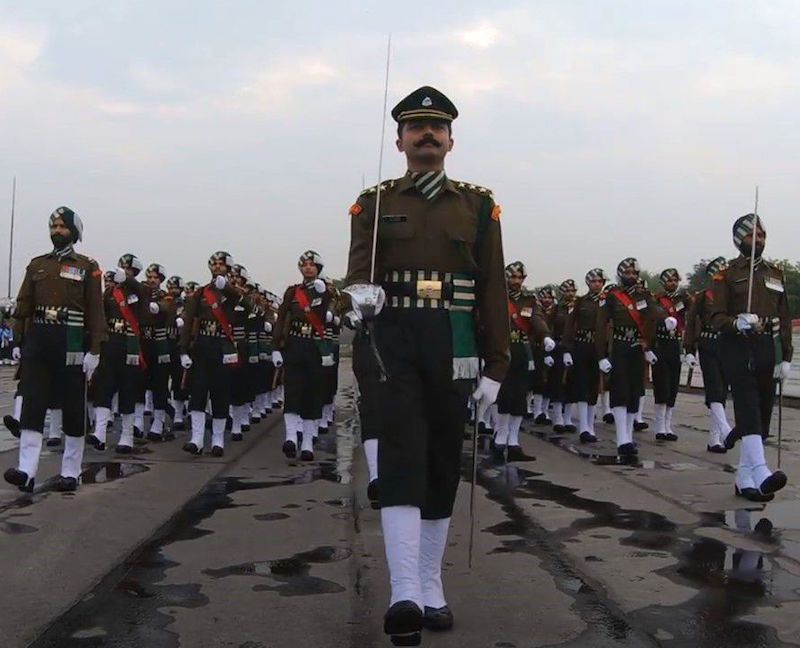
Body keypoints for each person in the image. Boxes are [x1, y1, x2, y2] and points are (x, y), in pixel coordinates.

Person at [343, 85, 509, 644]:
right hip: (395, 342)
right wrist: (358, 296)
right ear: (400, 140)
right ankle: (403, 593)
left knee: (441, 459)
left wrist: (498, 363)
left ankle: (431, 585)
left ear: (451, 140)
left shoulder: (479, 206)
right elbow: (357, 273)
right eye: (416, 127)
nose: (427, 134)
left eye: (436, 127)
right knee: (402, 456)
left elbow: (493, 288)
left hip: (456, 340)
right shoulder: (376, 201)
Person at [4, 207, 105, 492]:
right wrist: (16, 342)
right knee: (32, 404)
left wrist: (95, 349)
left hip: (71, 339)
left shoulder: (87, 267)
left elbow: (96, 313)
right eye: (53, 226)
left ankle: (70, 471)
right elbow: (23, 307)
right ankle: (26, 471)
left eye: (62, 226)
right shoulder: (37, 265)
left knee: (73, 406)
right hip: (39, 339)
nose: (56, 231)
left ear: (74, 231)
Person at [709, 213, 792, 501]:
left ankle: (744, 477)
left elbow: (784, 315)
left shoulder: (775, 273)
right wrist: (736, 323)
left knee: (763, 411)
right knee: (747, 405)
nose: (757, 240)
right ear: (738, 239)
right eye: (751, 235)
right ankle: (761, 470)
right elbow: (716, 317)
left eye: (761, 235)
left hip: (767, 346)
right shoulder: (726, 274)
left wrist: (786, 356)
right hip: (737, 344)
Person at [595, 258, 672, 458]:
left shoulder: (644, 295)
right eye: (627, 273)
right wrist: (601, 355)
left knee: (634, 392)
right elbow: (601, 326)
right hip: (620, 346)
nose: (631, 276)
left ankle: (628, 437)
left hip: (637, 347)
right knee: (620, 391)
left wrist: (666, 319)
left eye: (634, 273)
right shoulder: (611, 296)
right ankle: (621, 439)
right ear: (621, 275)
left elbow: (653, 311)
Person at [272, 251, 333, 461]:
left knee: (312, 393)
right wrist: (276, 347)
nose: (308, 268)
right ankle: (290, 437)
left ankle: (307, 443)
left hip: (315, 346)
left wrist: (323, 294)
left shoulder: (325, 289)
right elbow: (281, 318)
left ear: (318, 269)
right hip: (295, 344)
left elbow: (329, 312)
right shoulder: (292, 292)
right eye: (304, 265)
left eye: (312, 265)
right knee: (293, 390)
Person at [179, 251, 241, 457]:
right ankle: (196, 439)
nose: (217, 267)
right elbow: (189, 321)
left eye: (221, 264)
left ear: (228, 268)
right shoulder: (201, 293)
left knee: (220, 393)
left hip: (222, 346)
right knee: (198, 391)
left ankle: (217, 439)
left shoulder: (232, 292)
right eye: (214, 264)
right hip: (203, 345)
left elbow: (241, 301)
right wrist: (183, 350)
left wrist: (227, 287)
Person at [89, 255, 150, 453]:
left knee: (127, 389)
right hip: (111, 342)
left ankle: (127, 436)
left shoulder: (140, 291)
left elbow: (143, 303)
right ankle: (99, 433)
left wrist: (129, 281)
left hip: (129, 343)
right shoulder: (110, 293)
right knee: (104, 386)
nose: (123, 271)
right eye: (121, 268)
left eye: (127, 269)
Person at [494, 261, 550, 461]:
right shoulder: (498, 297)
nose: (516, 281)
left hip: (522, 350)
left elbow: (537, 318)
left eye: (520, 277)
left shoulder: (529, 299)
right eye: (513, 277)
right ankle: (500, 438)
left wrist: (545, 335)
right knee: (505, 394)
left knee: (521, 395)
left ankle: (514, 441)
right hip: (503, 348)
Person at [683, 257, 731, 452]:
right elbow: (691, 321)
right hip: (708, 343)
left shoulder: (732, 297)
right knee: (714, 388)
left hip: (727, 345)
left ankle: (714, 439)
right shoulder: (703, 297)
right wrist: (688, 349)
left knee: (722, 390)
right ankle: (725, 430)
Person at [562, 268, 607, 443]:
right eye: (593, 281)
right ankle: (583, 428)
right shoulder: (580, 302)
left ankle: (591, 425)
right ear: (588, 283)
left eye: (600, 281)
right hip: (581, 345)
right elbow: (569, 325)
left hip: (598, 347)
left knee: (594, 386)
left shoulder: (607, 302)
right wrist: (566, 349)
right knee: (581, 385)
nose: (597, 284)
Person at [651, 268, 691, 441]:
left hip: (675, 344)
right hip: (660, 343)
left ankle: (668, 424)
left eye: (675, 280)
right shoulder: (657, 300)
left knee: (673, 384)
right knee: (662, 384)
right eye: (669, 280)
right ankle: (659, 425)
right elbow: (651, 319)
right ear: (663, 283)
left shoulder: (684, 299)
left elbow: (693, 314)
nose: (672, 283)